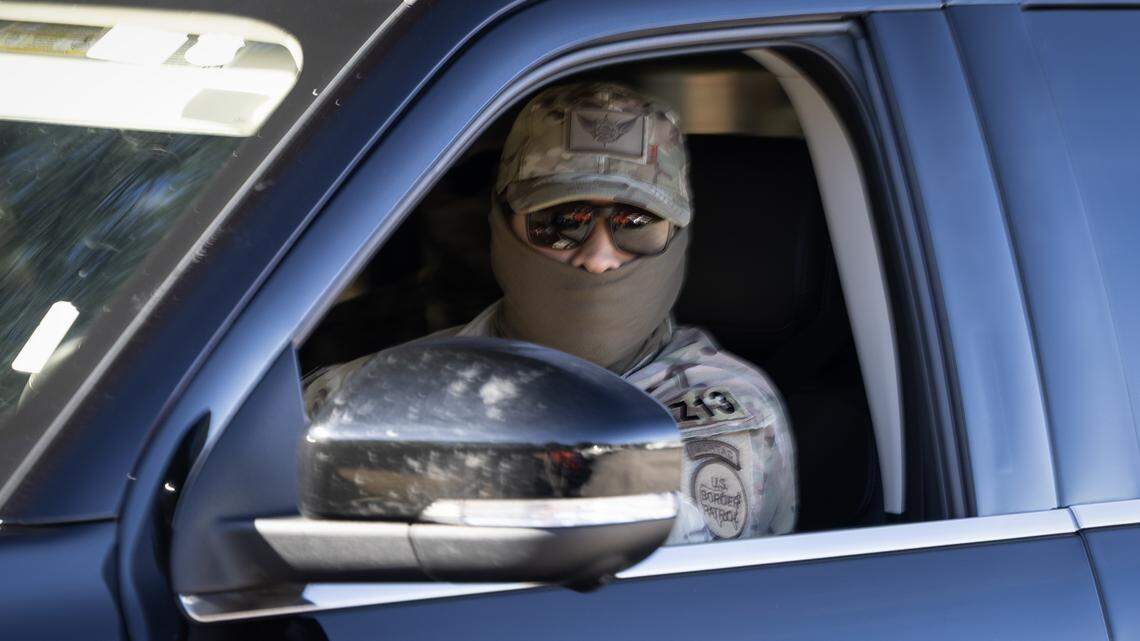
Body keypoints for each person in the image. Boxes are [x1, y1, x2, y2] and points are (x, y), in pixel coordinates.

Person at [307, 82, 797, 543]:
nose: (599, 257)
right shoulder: (380, 388)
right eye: (562, 223)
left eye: (635, 223)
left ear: (675, 236)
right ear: (503, 227)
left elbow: (635, 535)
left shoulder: (723, 408)